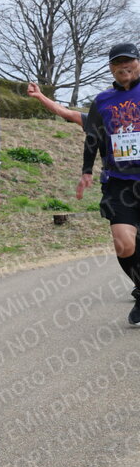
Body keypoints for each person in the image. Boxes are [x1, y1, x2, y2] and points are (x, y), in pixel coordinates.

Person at [76, 43, 140, 326]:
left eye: (129, 61)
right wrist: (86, 171)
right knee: (124, 244)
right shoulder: (102, 101)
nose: (123, 66)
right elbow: (92, 137)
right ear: (111, 68)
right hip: (119, 183)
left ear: (138, 62)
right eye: (117, 62)